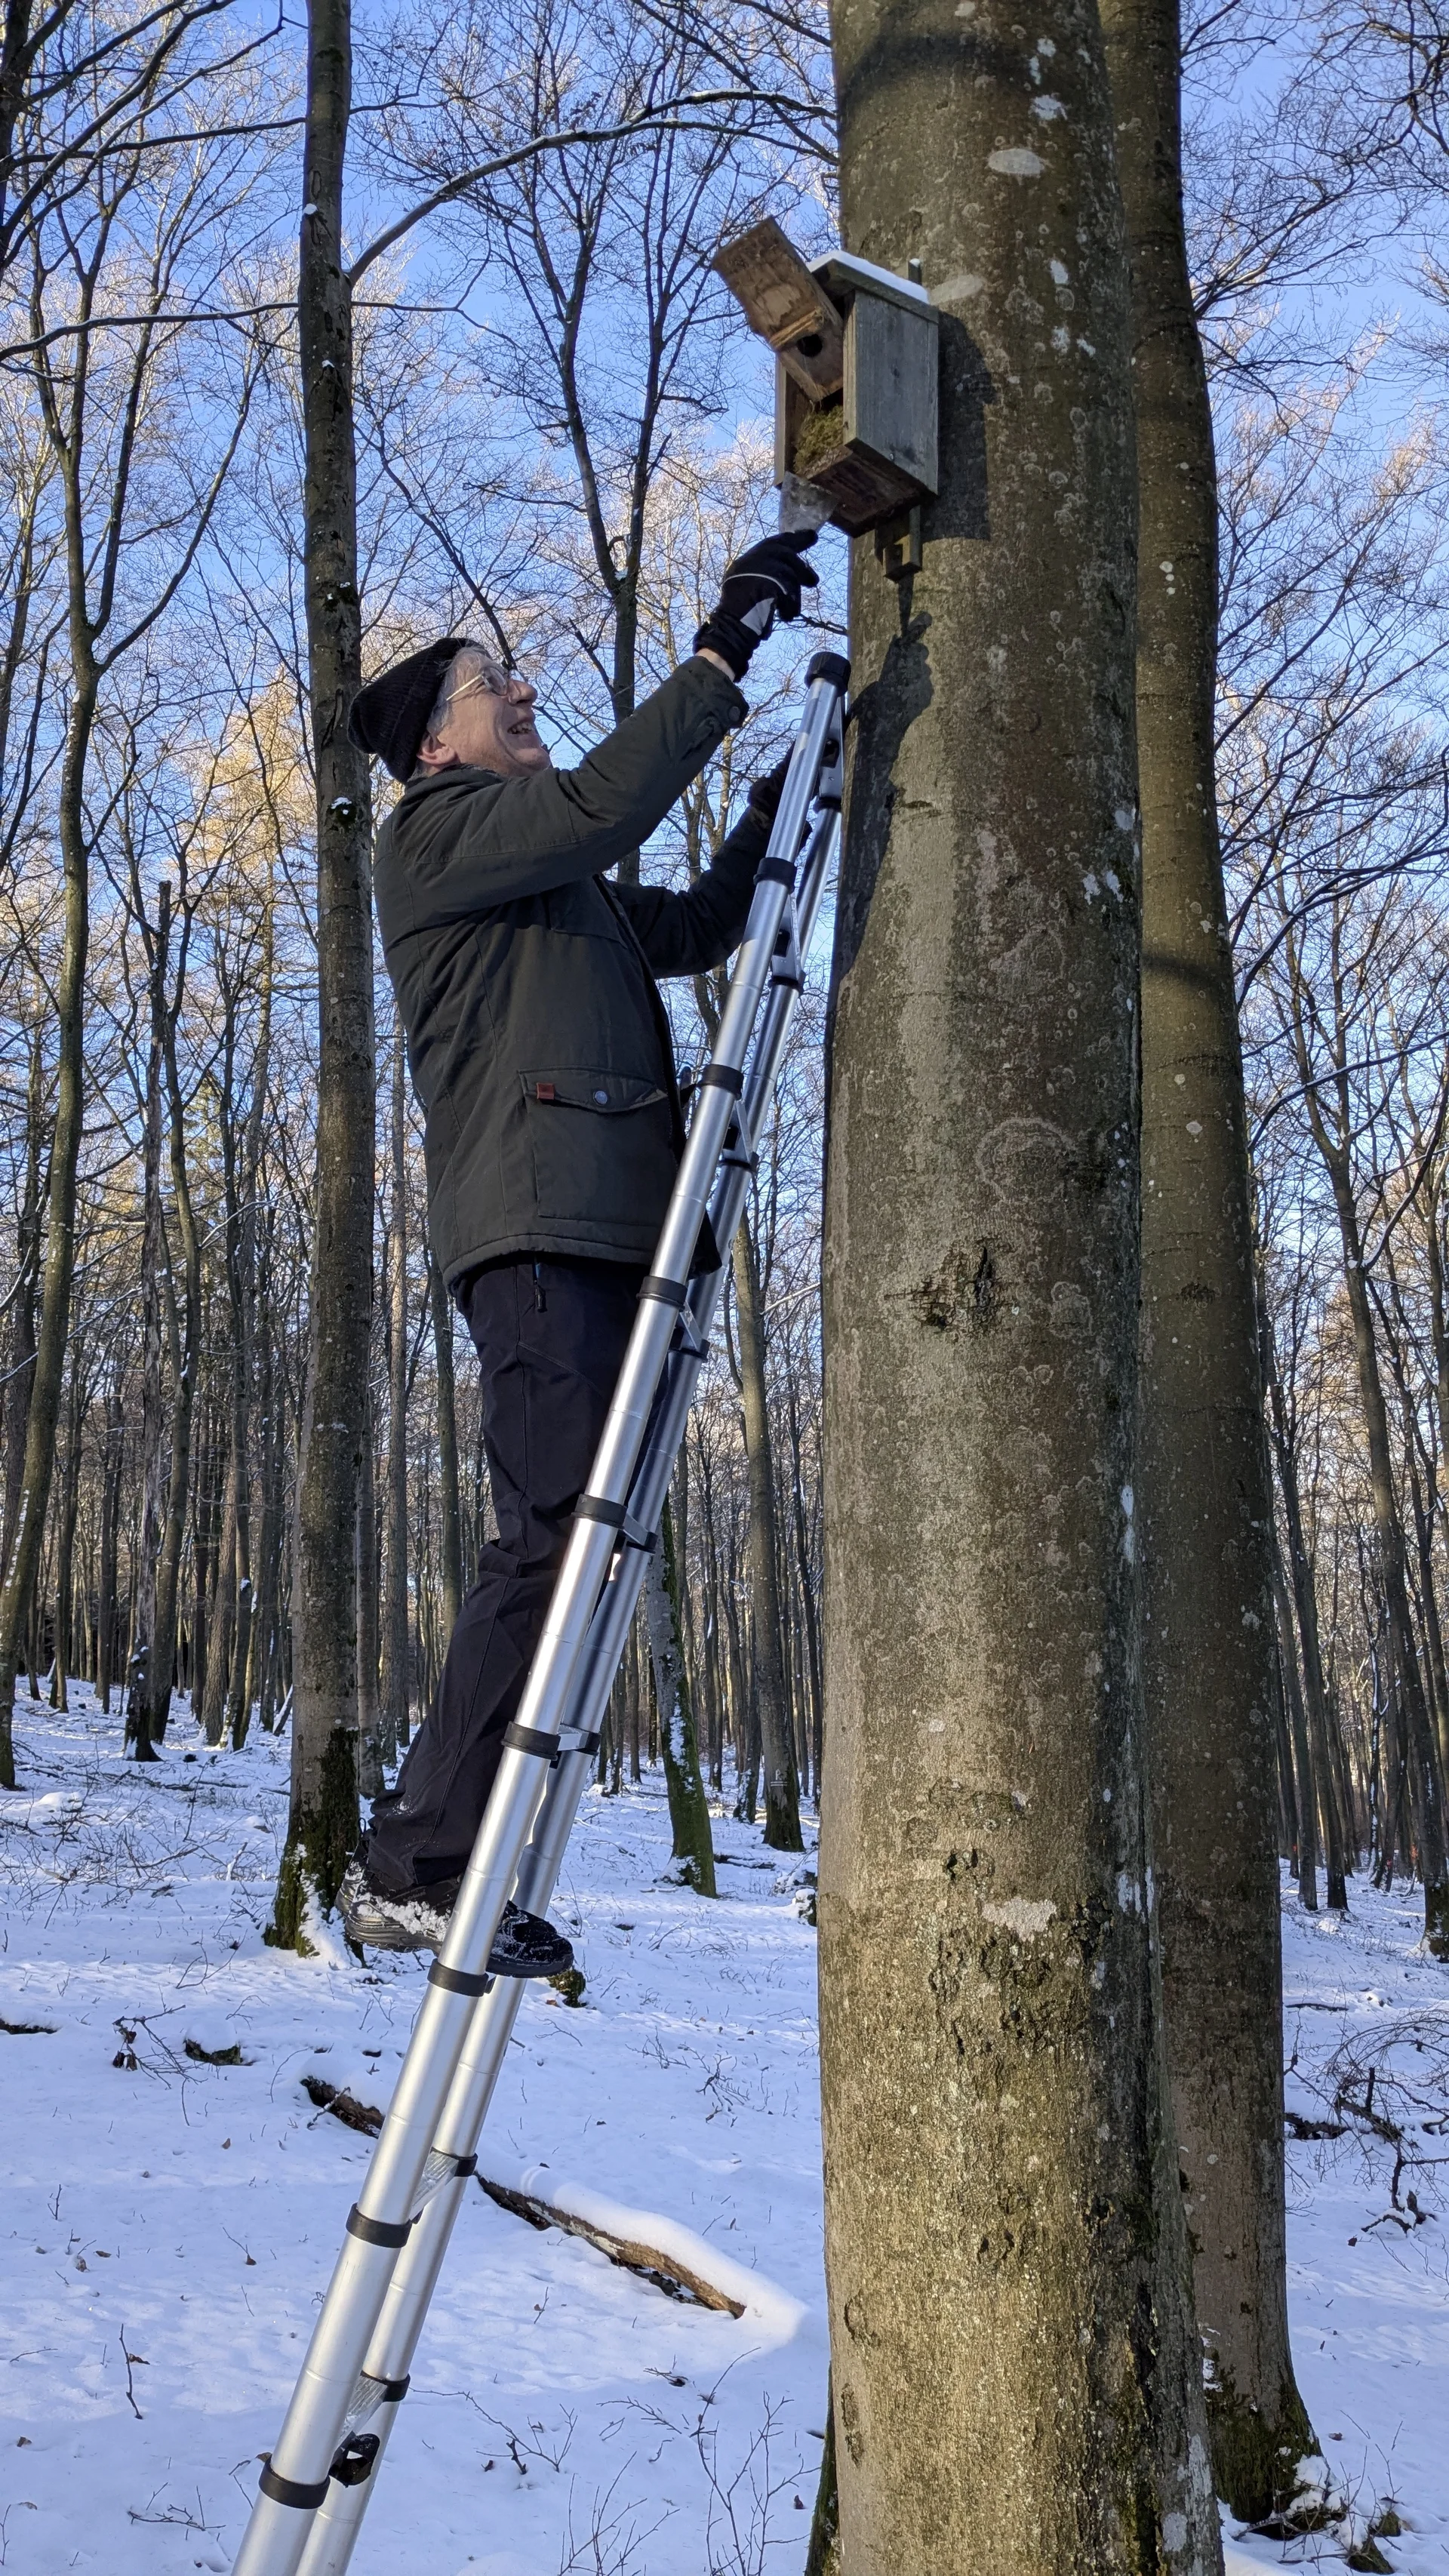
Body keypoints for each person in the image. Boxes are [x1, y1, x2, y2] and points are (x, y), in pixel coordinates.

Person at [337, 529, 819, 1968]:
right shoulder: (433, 839)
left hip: (610, 1226)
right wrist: (721, 658)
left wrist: (769, 814)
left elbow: (692, 921)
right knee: (544, 1537)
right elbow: (603, 807)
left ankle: (461, 1858)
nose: (523, 687)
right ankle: (417, 1861)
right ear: (434, 744)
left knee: (579, 1551)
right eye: (495, 684)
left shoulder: (556, 884)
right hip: (540, 1231)